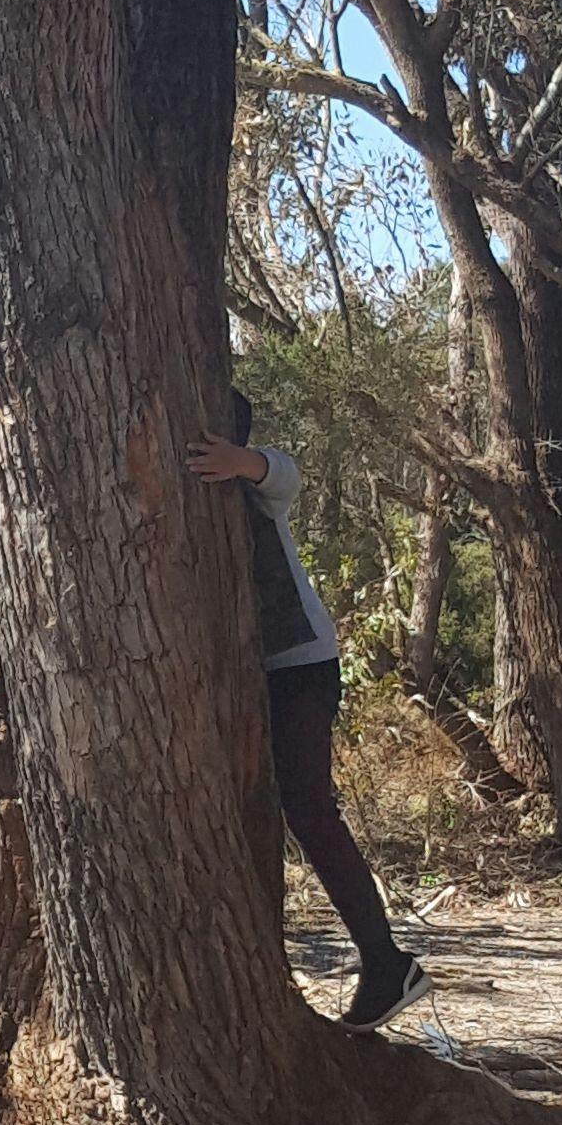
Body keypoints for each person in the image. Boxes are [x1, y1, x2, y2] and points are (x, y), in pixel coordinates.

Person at [185, 391, 425, 1028]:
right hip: (238, 675)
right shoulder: (175, 499)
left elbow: (285, 472)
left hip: (298, 664)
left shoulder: (258, 492)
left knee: (309, 808)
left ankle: (385, 960)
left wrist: (246, 462)